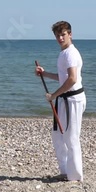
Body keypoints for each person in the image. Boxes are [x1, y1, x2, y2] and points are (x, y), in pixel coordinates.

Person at [35, 21, 86, 182]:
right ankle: (65, 171)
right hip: (65, 100)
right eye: (57, 35)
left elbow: (72, 79)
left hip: (73, 100)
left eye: (63, 34)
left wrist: (54, 95)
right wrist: (45, 74)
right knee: (58, 135)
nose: (60, 38)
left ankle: (75, 176)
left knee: (71, 137)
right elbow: (62, 77)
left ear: (70, 34)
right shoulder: (63, 53)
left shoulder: (71, 53)